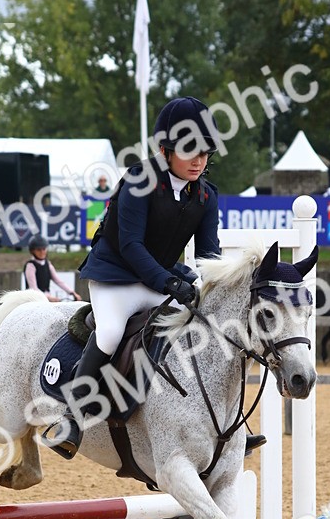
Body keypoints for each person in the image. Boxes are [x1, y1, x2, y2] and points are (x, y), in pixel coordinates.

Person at [43, 95, 221, 459]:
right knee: (109, 333)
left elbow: (208, 255)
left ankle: (222, 424)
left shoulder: (205, 195)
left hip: (160, 277)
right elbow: (131, 246)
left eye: (204, 152)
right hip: (116, 277)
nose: (198, 161)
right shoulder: (140, 180)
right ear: (164, 149)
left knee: (205, 325)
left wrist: (212, 285)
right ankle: (71, 418)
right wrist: (172, 283)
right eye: (189, 151)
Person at [24, 238, 82, 303]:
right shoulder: (30, 265)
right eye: (39, 250)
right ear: (32, 251)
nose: (42, 252)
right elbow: (33, 288)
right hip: (33, 299)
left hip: (46, 299)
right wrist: (48, 297)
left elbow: (58, 281)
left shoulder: (48, 264)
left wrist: (72, 292)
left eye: (44, 249)